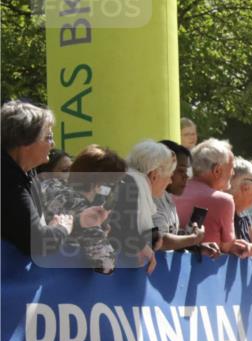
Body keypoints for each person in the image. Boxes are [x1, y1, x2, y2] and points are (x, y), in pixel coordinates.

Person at [1, 101, 105, 258]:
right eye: (48, 137)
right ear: (26, 141)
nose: (53, 144)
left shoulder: (27, 174)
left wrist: (78, 221)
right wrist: (62, 228)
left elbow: (40, 227)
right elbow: (38, 243)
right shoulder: (7, 179)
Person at [39, 145, 125, 273]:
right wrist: (97, 226)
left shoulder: (50, 184)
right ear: (100, 184)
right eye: (114, 184)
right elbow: (106, 264)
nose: (114, 191)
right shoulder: (78, 205)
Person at [107, 140, 176, 273]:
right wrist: (144, 246)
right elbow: (126, 230)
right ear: (154, 175)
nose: (170, 181)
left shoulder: (127, 178)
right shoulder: (133, 182)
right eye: (169, 175)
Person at [174, 138, 248, 257]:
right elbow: (228, 246)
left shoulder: (172, 192)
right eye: (231, 167)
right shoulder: (224, 200)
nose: (233, 173)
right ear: (217, 171)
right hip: (206, 270)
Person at [154, 140, 218, 255]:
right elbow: (160, 240)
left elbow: (171, 235)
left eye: (186, 170)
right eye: (180, 170)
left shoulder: (166, 197)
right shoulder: (152, 198)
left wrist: (197, 246)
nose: (186, 176)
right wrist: (193, 239)